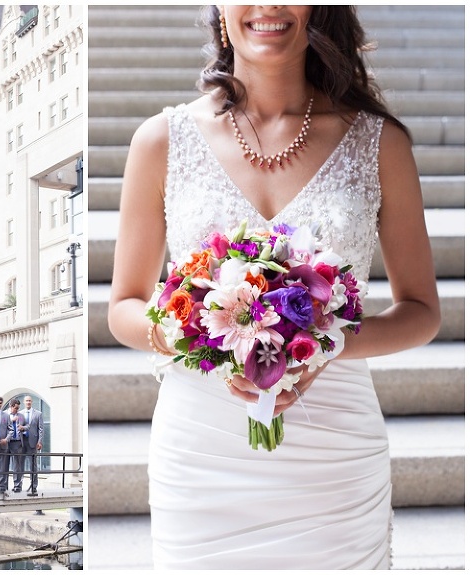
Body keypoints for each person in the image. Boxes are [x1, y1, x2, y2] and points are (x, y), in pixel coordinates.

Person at [106, 5, 441, 569]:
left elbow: (422, 310)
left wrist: (323, 341)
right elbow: (123, 308)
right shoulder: (161, 140)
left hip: (332, 448)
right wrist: (202, 333)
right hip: (202, 447)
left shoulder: (379, 144)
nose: (268, 7)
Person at [21, 396, 44, 496]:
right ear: (24, 402)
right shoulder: (20, 413)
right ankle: (18, 486)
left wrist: (39, 441)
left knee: (33, 466)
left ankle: (33, 486)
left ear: (32, 402)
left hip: (33, 442)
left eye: (30, 400)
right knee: (19, 465)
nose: (28, 402)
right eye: (26, 401)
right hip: (21, 442)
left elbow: (41, 429)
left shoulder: (38, 414)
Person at [6, 398, 26, 493]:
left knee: (17, 465)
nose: (17, 410)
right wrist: (12, 421)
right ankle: (3, 486)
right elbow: (0, 427)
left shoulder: (21, 416)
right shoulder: (4, 415)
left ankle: (17, 486)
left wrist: (23, 428)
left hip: (17, 442)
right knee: (4, 465)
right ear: (11, 406)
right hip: (6, 442)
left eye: (18, 408)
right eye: (16, 408)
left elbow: (28, 425)